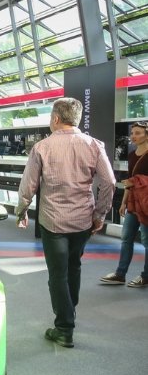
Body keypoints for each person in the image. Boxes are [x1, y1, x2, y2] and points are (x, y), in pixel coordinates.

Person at [15, 97, 115, 348]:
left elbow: (29, 185)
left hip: (53, 221)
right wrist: (100, 214)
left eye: (50, 116)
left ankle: (64, 328)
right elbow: (109, 182)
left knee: (57, 274)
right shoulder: (94, 145)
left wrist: (21, 210)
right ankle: (70, 311)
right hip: (83, 220)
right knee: (74, 266)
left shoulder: (42, 147)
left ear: (56, 119)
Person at [100, 120, 148, 288]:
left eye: (138, 133)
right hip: (133, 203)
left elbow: (135, 180)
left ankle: (146, 276)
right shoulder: (132, 155)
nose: (133, 136)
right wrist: (124, 202)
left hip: (146, 203)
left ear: (146, 134)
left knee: (146, 241)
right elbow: (129, 181)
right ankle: (120, 274)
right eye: (132, 133)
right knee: (126, 238)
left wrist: (139, 182)